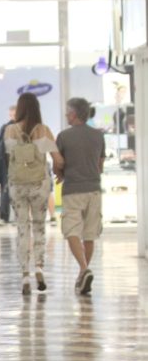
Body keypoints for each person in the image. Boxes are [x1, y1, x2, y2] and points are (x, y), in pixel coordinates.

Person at [4, 92, 63, 295]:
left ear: (19, 108)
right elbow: (58, 160)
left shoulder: (10, 130)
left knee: (22, 228)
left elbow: (9, 155)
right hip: (39, 184)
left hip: (17, 185)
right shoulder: (43, 131)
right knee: (39, 226)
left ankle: (24, 276)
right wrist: (58, 172)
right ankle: (38, 267)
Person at [55, 97, 105, 296]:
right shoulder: (98, 136)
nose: (66, 114)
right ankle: (82, 274)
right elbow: (100, 166)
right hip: (94, 189)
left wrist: (60, 173)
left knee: (72, 230)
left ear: (74, 114)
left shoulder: (63, 137)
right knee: (90, 233)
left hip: (73, 190)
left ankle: (84, 269)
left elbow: (58, 165)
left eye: (68, 111)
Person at [0, 105, 16, 225]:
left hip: (18, 164)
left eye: (14, 115)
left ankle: (18, 216)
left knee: (17, 191)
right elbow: (0, 147)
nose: (12, 117)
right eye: (11, 115)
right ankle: (4, 216)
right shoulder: (5, 127)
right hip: (6, 164)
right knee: (5, 191)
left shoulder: (22, 127)